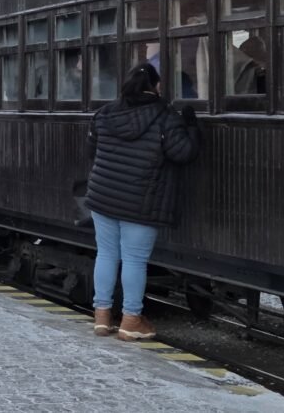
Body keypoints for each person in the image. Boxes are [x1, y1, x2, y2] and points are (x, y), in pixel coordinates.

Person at [85, 63, 199, 341]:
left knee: (107, 254)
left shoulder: (105, 113)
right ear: (155, 86)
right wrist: (193, 127)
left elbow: (91, 149)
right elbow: (182, 153)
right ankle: (131, 320)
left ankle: (101, 317)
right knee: (135, 259)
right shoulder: (164, 115)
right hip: (142, 200)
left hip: (103, 196)